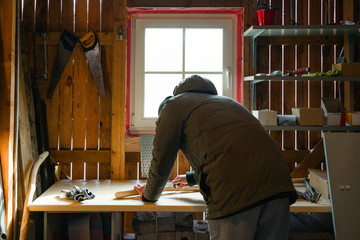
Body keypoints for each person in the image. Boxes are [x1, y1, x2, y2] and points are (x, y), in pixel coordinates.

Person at [134, 75, 297, 240]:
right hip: (279, 186)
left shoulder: (173, 105)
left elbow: (163, 155)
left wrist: (149, 195)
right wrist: (192, 178)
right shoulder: (227, 102)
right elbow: (237, 156)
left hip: (235, 194)